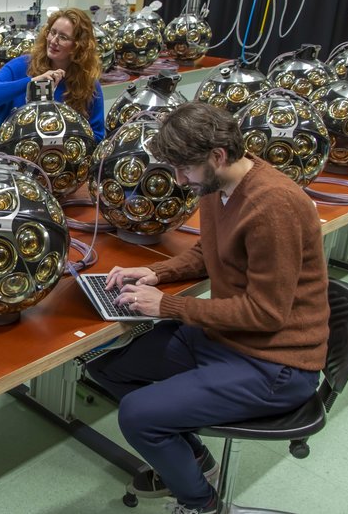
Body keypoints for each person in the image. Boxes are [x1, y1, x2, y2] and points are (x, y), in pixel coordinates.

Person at [86, 101, 330, 514]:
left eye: (185, 169)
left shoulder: (273, 206)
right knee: (105, 369)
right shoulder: (217, 186)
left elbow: (266, 314)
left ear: (217, 155)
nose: (180, 180)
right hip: (228, 338)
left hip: (276, 362)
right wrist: (155, 273)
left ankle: (202, 504)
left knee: (138, 415)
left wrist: (169, 306)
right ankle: (193, 460)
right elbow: (206, 252)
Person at [0, 7, 105, 145]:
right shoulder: (23, 65)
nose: (54, 40)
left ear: (78, 45)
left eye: (63, 37)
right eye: (52, 32)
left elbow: (97, 136)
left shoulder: (88, 84)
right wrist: (30, 82)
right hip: (12, 160)